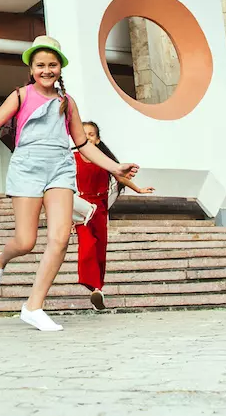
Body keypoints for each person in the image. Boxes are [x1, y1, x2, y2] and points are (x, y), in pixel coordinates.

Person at [0, 35, 138, 331]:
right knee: (26, 242)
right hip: (27, 168)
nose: (46, 70)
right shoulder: (21, 95)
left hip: (60, 170)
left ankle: (34, 306)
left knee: (60, 238)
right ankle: (1, 259)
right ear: (31, 68)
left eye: (52, 65)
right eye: (41, 65)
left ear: (60, 68)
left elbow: (83, 144)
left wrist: (116, 167)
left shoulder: (67, 102)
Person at [76, 120, 155, 311]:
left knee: (100, 249)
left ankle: (97, 290)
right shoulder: (72, 158)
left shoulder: (103, 160)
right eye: (83, 133)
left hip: (101, 208)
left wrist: (138, 189)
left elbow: (120, 177)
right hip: (82, 209)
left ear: (97, 139)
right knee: (87, 246)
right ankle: (92, 285)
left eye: (91, 134)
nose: (87, 137)